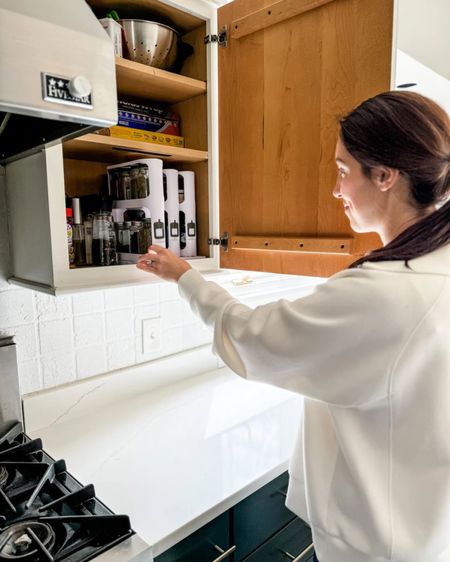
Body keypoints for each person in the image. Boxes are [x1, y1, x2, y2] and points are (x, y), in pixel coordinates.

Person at [137, 91, 450, 562]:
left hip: (378, 544)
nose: (335, 190)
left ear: (385, 176)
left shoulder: (385, 292)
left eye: (343, 171)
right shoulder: (434, 266)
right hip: (424, 526)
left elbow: (252, 339)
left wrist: (185, 277)